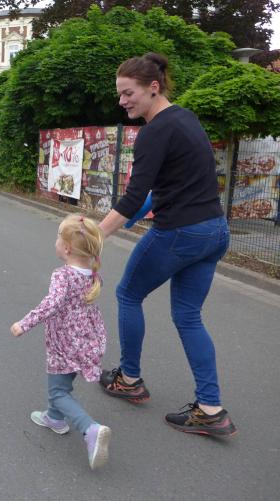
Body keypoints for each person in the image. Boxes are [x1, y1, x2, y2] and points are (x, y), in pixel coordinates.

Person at [97, 52, 237, 436]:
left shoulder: (154, 131)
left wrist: (94, 236)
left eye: (128, 93)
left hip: (181, 233)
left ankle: (129, 379)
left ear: (153, 87)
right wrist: (134, 216)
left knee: (128, 294)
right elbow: (164, 190)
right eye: (120, 94)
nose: (122, 101)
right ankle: (211, 409)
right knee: (188, 316)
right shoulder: (185, 118)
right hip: (214, 231)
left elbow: (131, 197)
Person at [11, 214, 111, 470]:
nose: (55, 241)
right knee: (63, 381)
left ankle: (90, 429)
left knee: (58, 392)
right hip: (87, 340)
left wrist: (24, 323)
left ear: (66, 248)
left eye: (58, 237)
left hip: (64, 341)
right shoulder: (92, 274)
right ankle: (54, 418)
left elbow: (51, 304)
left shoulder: (63, 275)